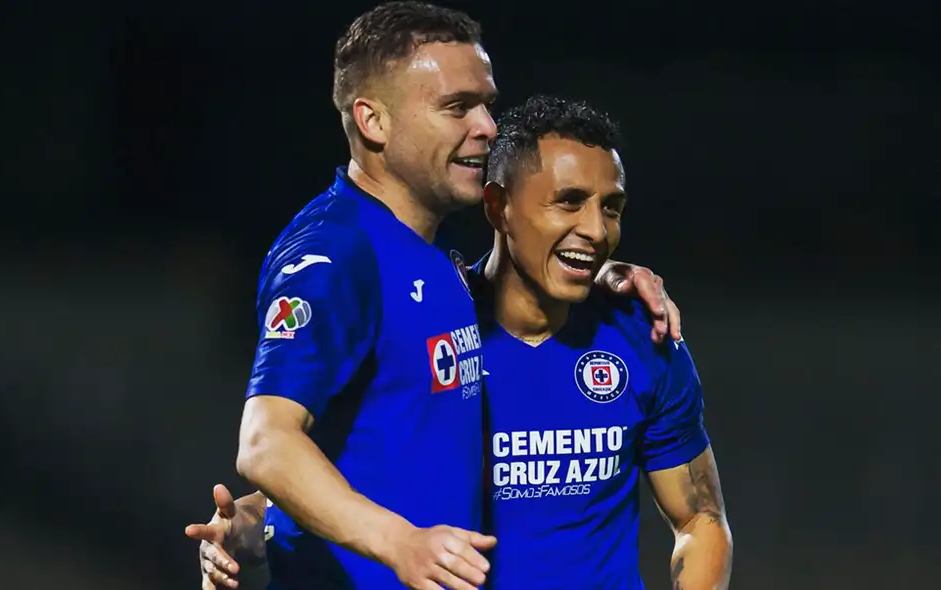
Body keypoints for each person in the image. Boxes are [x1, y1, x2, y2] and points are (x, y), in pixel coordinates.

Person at [189, 3, 683, 590]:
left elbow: (373, 440)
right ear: (373, 121)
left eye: (487, 104)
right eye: (457, 107)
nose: (488, 128)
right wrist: (401, 544)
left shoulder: (431, 254)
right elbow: (267, 442)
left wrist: (595, 268)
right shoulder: (333, 254)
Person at [477, 95, 732, 589]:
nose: (596, 230)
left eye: (610, 208)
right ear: (498, 206)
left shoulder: (644, 337)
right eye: (569, 201)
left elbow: (700, 519)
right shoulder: (432, 331)